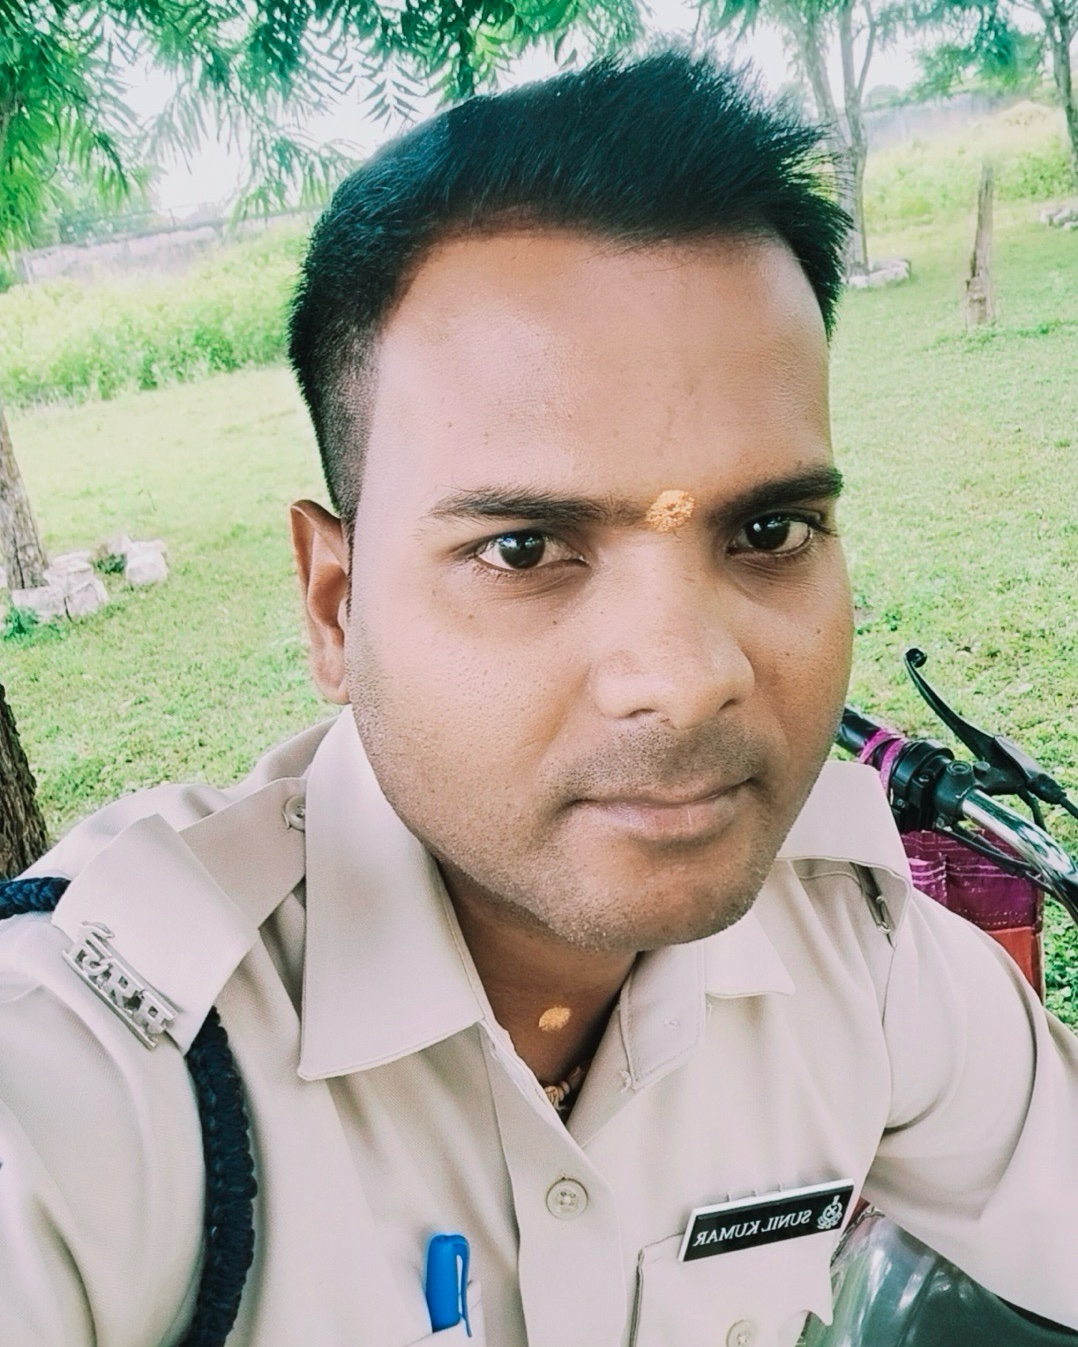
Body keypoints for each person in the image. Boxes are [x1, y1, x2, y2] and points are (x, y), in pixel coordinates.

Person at [2, 49, 1077, 1347]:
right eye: (523, 550)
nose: (686, 678)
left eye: (768, 532)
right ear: (336, 607)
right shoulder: (100, 1076)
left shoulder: (854, 947)